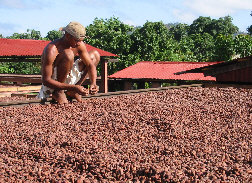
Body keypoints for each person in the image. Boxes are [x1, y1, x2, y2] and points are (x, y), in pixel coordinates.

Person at [37, 21, 100, 104]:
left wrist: (93, 83)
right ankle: (58, 92)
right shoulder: (52, 49)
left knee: (95, 55)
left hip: (68, 77)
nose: (79, 43)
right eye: (77, 40)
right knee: (68, 54)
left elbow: (90, 65)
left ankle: (72, 91)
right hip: (53, 81)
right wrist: (74, 87)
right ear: (67, 36)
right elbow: (46, 80)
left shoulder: (79, 44)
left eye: (80, 40)